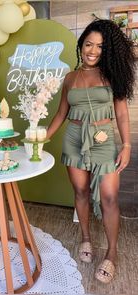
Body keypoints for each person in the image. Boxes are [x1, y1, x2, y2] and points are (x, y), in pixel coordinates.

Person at [47, 19, 135, 284]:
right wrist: (41, 137)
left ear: (106, 50)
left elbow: (121, 113)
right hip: (74, 138)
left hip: (103, 140)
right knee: (81, 192)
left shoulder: (112, 75)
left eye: (99, 46)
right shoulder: (70, 77)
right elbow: (61, 113)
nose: (93, 50)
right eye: (88, 44)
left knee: (109, 197)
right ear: (81, 45)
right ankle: (86, 238)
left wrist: (126, 145)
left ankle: (112, 252)